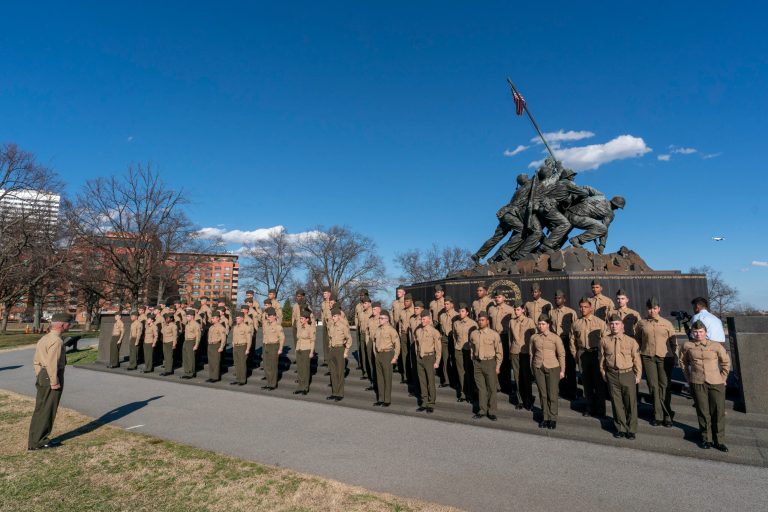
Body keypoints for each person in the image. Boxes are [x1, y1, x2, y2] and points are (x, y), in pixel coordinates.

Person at [681, 320, 731, 452]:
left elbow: (726, 362)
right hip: (697, 382)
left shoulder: (715, 346)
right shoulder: (687, 345)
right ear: (692, 332)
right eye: (695, 332)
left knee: (718, 412)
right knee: (703, 412)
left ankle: (719, 440)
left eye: (701, 331)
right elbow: (683, 362)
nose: (698, 334)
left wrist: (723, 378)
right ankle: (706, 438)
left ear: (706, 332)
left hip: (716, 382)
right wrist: (689, 378)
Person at [28, 313, 71, 450]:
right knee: (48, 409)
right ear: (62, 325)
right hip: (51, 375)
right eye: (68, 323)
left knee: (40, 408)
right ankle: (40, 441)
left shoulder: (45, 338)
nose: (69, 326)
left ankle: (34, 440)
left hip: (42, 374)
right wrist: (54, 381)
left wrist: (40, 373)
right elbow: (52, 363)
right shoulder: (57, 341)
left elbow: (36, 359)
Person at [635, 297, 677, 427]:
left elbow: (673, 342)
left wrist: (675, 357)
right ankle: (657, 415)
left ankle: (667, 415)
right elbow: (638, 341)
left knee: (664, 386)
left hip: (665, 358)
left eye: (654, 308)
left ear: (659, 308)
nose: (652, 311)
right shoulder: (641, 323)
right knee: (653, 386)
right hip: (648, 357)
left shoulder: (667, 323)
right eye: (649, 308)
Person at [600, 313, 642, 439]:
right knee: (616, 403)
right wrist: (603, 373)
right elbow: (601, 359)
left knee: (630, 403)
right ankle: (620, 428)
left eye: (617, 324)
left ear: (622, 325)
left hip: (627, 374)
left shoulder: (631, 341)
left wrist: (638, 375)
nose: (614, 326)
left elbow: (637, 360)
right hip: (612, 374)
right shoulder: (604, 340)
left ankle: (631, 429)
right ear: (609, 325)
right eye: (611, 324)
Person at [569, 297, 608, 417]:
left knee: (599, 383)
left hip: (596, 354)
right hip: (582, 355)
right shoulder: (576, 323)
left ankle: (601, 409)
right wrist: (576, 356)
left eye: (585, 307)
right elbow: (572, 342)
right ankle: (589, 407)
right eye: (581, 306)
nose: (582, 309)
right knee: (587, 383)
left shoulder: (600, 323)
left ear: (591, 308)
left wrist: (603, 357)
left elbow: (606, 341)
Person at [530, 314, 565, 429]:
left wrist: (562, 370)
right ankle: (545, 417)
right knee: (543, 394)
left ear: (548, 325)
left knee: (552, 394)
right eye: (539, 324)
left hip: (553, 367)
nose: (540, 326)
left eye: (543, 324)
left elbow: (561, 355)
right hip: (538, 367)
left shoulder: (555, 338)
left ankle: (553, 418)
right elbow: (532, 353)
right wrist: (533, 368)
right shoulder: (534, 338)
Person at [470, 311, 503, 421]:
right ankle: (482, 410)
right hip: (478, 363)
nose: (480, 322)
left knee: (492, 388)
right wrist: (474, 360)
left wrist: (497, 367)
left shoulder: (494, 334)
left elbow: (499, 353)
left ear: (487, 321)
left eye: (483, 320)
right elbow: (472, 348)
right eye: (479, 320)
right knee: (481, 389)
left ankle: (492, 411)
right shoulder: (474, 334)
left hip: (490, 363)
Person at [550, 290, 578, 399]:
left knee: (570, 367)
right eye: (556, 298)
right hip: (556, 341)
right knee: (558, 366)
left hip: (567, 341)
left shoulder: (571, 312)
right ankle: (562, 389)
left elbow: (575, 329)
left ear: (564, 299)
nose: (558, 300)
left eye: (560, 298)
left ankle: (572, 391)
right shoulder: (551, 312)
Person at [510, 300, 536, 410]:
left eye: (518, 309)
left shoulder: (529, 321)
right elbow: (510, 339)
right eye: (515, 310)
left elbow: (533, 338)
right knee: (517, 377)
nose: (516, 312)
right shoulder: (512, 322)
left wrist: (533, 353)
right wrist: (510, 352)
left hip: (525, 352)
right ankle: (520, 400)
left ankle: (528, 400)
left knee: (526, 377)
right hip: (515, 352)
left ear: (523, 310)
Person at [414, 310, 441, 413]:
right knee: (422, 381)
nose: (422, 321)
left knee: (430, 381)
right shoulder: (418, 331)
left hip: (430, 358)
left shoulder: (434, 332)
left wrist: (437, 361)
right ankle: (424, 402)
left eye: (424, 319)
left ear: (429, 319)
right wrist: (417, 356)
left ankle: (431, 403)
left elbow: (438, 349)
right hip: (420, 358)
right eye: (421, 319)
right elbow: (416, 345)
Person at [372, 310, 400, 407]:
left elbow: (397, 345)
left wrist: (395, 357)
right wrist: (375, 353)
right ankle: (380, 398)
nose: (379, 320)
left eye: (382, 318)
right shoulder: (378, 329)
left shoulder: (392, 330)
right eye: (379, 318)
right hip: (379, 355)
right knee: (379, 378)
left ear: (387, 320)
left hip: (388, 354)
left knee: (387, 378)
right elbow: (374, 342)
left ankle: (387, 400)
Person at [489, 291, 514, 392]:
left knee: (504, 362)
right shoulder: (491, 309)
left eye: (499, 297)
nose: (497, 299)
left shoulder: (510, 309)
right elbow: (489, 323)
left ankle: (507, 386)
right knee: (494, 361)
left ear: (504, 298)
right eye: (496, 297)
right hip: (494, 336)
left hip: (504, 336)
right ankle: (497, 385)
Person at [452, 303, 478, 403]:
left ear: (467, 312)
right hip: (459, 349)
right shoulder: (456, 323)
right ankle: (463, 393)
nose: (460, 313)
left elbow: (475, 338)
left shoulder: (473, 323)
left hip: (468, 350)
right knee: (461, 372)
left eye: (463, 311)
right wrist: (456, 346)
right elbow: (454, 336)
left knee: (469, 372)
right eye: (459, 311)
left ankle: (471, 393)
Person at [327, 306, 352, 401]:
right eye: (332, 316)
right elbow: (330, 338)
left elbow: (349, 339)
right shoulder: (331, 326)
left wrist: (346, 351)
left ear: (338, 316)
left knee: (340, 372)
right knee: (333, 373)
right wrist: (330, 348)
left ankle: (340, 393)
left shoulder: (343, 326)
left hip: (340, 349)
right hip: (332, 350)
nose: (332, 318)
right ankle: (334, 392)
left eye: (334, 316)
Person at [262, 307, 285, 390]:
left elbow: (282, 338)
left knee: (273, 366)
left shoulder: (278, 327)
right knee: (266, 366)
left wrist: (280, 349)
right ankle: (268, 382)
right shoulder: (267, 325)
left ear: (275, 316)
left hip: (274, 346)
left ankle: (273, 384)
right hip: (266, 346)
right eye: (268, 316)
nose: (269, 318)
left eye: (271, 316)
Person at [437, 296, 457, 388]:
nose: (446, 305)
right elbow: (440, 328)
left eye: (447, 304)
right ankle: (446, 380)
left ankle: (455, 380)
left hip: (453, 339)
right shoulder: (442, 316)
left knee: (454, 359)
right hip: (444, 338)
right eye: (445, 304)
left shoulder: (456, 315)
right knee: (445, 359)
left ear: (452, 305)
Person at [294, 310, 316, 395]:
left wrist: (311, 352)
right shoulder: (300, 327)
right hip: (299, 349)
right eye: (300, 318)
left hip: (306, 350)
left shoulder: (310, 328)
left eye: (302, 318)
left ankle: (305, 388)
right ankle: (300, 386)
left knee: (305, 369)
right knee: (299, 369)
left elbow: (312, 341)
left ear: (307, 319)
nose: (300, 320)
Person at [397, 294, 415, 385]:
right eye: (405, 301)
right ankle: (406, 375)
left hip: (412, 336)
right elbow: (400, 323)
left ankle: (414, 376)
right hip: (404, 334)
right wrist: (400, 333)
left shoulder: (415, 310)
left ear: (411, 301)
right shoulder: (402, 312)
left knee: (413, 356)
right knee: (404, 355)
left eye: (407, 301)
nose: (405, 303)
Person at [230, 312, 252, 386]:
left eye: (238, 318)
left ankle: (242, 380)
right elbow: (234, 336)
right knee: (236, 363)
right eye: (236, 318)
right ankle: (238, 379)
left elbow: (249, 339)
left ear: (242, 318)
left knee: (242, 364)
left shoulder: (246, 327)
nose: (237, 320)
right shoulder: (235, 327)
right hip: (236, 346)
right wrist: (233, 342)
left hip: (243, 346)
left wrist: (247, 349)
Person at [206, 311, 227, 382]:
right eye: (211, 318)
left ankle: (215, 377)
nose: (212, 319)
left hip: (216, 345)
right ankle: (211, 376)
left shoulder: (221, 327)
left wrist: (221, 347)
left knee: (215, 362)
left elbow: (223, 338)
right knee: (211, 361)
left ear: (218, 318)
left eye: (213, 318)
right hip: (211, 345)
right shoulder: (211, 327)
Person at [355, 295, 372, 379]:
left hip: (369, 335)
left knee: (369, 354)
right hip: (362, 334)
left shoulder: (373, 312)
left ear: (369, 304)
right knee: (363, 352)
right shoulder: (361, 313)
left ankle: (371, 372)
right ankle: (365, 371)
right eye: (363, 303)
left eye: (365, 303)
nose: (363, 305)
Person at [181, 309, 201, 379]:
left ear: (192, 316)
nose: (187, 317)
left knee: (190, 358)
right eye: (186, 316)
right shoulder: (187, 324)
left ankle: (191, 372)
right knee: (185, 357)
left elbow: (198, 336)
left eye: (188, 316)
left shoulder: (196, 324)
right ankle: (186, 372)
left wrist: (196, 345)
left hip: (192, 341)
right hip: (186, 341)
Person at [320, 286, 333, 366]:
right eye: (323, 293)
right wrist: (322, 321)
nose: (324, 295)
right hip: (325, 323)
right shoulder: (323, 303)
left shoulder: (331, 302)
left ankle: (330, 360)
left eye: (325, 293)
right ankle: (326, 360)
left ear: (329, 294)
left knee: (330, 342)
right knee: (325, 342)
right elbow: (322, 313)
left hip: (331, 324)